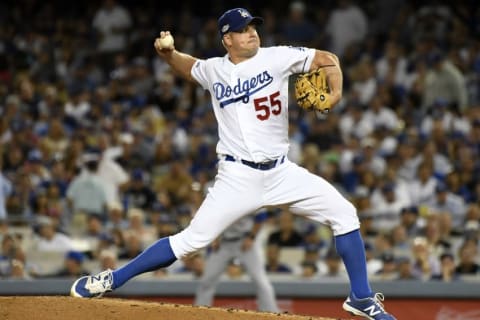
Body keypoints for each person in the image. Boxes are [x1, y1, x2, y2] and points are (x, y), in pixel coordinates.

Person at [70, 7, 396, 320]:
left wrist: (335, 93)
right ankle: (112, 279)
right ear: (228, 39)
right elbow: (190, 66)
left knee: (344, 214)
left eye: (253, 27)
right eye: (243, 30)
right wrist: (168, 54)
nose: (252, 33)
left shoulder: (278, 56)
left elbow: (329, 59)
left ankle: (361, 297)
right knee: (190, 242)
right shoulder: (214, 69)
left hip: (282, 171)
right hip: (237, 176)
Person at [193, 211, 278, 312]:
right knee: (207, 279)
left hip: (245, 240)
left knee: (260, 279)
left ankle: (271, 313)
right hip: (224, 243)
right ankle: (199, 313)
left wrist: (251, 237)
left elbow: (261, 216)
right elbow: (211, 216)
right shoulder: (219, 195)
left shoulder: (249, 195)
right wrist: (214, 238)